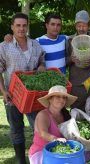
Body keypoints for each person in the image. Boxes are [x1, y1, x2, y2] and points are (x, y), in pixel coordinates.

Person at [0, 13, 45, 164]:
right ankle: (21, 160)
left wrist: (41, 67)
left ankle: (37, 157)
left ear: (27, 26)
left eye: (24, 25)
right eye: (18, 25)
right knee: (16, 129)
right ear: (12, 27)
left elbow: (41, 61)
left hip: (32, 96)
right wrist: (3, 91)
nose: (21, 28)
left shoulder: (35, 45)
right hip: (13, 95)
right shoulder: (4, 46)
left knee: (37, 128)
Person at [3, 13, 68, 74]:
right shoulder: (38, 41)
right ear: (47, 25)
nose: (55, 27)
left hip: (59, 80)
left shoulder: (64, 38)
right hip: (45, 80)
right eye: (53, 24)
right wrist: (10, 36)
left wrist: (42, 65)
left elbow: (75, 37)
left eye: (58, 25)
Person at [28, 85, 77, 164]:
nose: (62, 99)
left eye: (64, 97)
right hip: (42, 152)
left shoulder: (65, 114)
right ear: (50, 99)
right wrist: (55, 139)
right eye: (58, 96)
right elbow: (43, 133)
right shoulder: (43, 114)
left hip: (61, 151)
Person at [66, 10, 90, 110]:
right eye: (79, 25)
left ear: (88, 26)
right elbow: (64, 61)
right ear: (75, 26)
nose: (81, 28)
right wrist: (71, 59)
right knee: (76, 112)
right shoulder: (70, 40)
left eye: (84, 25)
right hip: (76, 84)